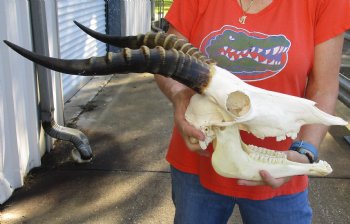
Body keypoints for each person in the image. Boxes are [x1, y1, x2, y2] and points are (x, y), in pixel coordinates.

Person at [155, 0, 350, 223]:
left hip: (280, 167)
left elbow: (324, 87)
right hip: (197, 164)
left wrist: (305, 152)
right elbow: (166, 60)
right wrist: (180, 97)